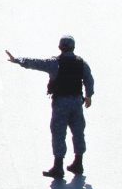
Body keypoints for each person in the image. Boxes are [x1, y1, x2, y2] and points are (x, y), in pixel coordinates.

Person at [6, 36, 94, 178]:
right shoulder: (81, 63)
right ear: (73, 47)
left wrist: (18, 60)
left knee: (59, 133)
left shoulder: (55, 63)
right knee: (78, 132)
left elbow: (36, 63)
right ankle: (78, 163)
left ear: (60, 47)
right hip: (77, 103)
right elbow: (89, 80)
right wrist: (89, 96)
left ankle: (58, 167)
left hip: (61, 104)